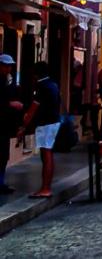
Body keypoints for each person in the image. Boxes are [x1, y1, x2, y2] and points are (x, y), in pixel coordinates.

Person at [16, 62, 62, 199]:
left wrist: (24, 126)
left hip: (46, 123)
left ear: (36, 74)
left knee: (46, 154)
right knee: (47, 153)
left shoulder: (41, 87)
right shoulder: (53, 85)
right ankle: (45, 187)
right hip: (53, 122)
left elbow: (33, 109)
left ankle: (46, 188)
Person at [0, 55, 23, 194]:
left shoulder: (8, 81)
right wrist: (10, 104)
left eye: (10, 66)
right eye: (6, 65)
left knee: (3, 156)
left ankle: (1, 182)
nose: (8, 68)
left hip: (5, 124)